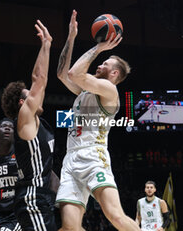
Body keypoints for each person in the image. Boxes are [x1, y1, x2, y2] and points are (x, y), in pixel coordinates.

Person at [56, 10, 139, 231]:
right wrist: (71, 38)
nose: (100, 65)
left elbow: (75, 74)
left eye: (105, 64)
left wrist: (100, 47)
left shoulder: (109, 91)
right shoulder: (86, 90)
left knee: (116, 217)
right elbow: (63, 74)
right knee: (69, 227)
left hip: (94, 157)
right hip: (71, 159)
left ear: (114, 74)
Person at [1, 19, 57, 231]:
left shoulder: (38, 123)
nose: (38, 96)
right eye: (31, 95)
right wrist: (46, 45)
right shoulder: (25, 119)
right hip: (33, 198)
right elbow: (39, 78)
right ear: (23, 104)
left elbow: (40, 84)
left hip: (37, 198)